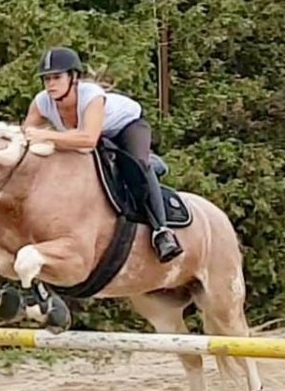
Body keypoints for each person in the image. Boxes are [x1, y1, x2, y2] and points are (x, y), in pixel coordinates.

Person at [22, 46, 184, 263]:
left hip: (127, 127)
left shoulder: (91, 96)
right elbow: (26, 134)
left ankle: (162, 232)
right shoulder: (41, 102)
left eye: (56, 77)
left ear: (73, 77)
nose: (50, 84)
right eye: (46, 79)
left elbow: (88, 140)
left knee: (137, 163)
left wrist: (46, 136)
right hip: (91, 135)